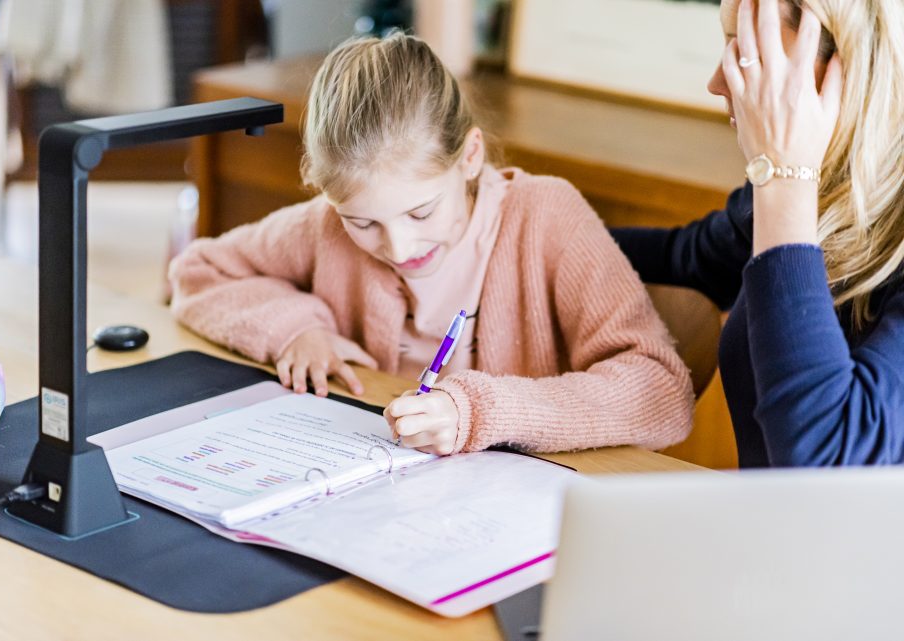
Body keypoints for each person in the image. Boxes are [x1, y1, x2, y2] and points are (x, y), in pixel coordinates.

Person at [169, 33, 693, 456]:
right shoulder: (327, 225)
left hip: (514, 510)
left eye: (421, 211)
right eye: (362, 222)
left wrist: (478, 411)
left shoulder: (546, 216)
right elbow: (198, 271)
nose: (398, 246)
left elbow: (661, 390)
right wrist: (295, 330)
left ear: (469, 157)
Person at [612, 0, 904, 467]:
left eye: (748, 55)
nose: (716, 83)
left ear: (846, 69)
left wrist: (785, 176)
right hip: (768, 533)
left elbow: (827, 459)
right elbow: (684, 259)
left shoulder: (787, 182)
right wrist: (530, 216)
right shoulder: (816, 189)